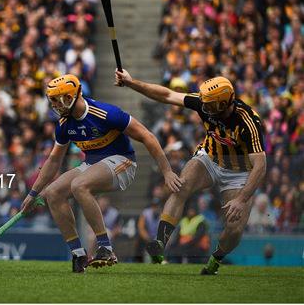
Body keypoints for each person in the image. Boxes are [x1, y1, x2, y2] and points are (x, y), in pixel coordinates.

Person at [21, 74, 182, 273]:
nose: (56, 105)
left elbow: (147, 136)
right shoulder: (64, 125)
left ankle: (105, 248)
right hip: (91, 164)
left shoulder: (106, 113)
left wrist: (166, 171)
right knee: (53, 193)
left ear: (74, 96)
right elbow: (54, 160)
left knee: (79, 185)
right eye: (53, 99)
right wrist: (33, 193)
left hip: (123, 162)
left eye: (61, 98)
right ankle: (79, 255)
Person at [115, 69, 266, 275]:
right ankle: (160, 243)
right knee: (181, 186)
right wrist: (132, 83)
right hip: (210, 158)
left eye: (209, 104)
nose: (203, 106)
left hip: (239, 173)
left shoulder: (248, 122)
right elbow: (167, 95)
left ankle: (215, 259)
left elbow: (260, 165)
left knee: (234, 227)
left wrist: (242, 199)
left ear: (223, 103)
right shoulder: (205, 101)